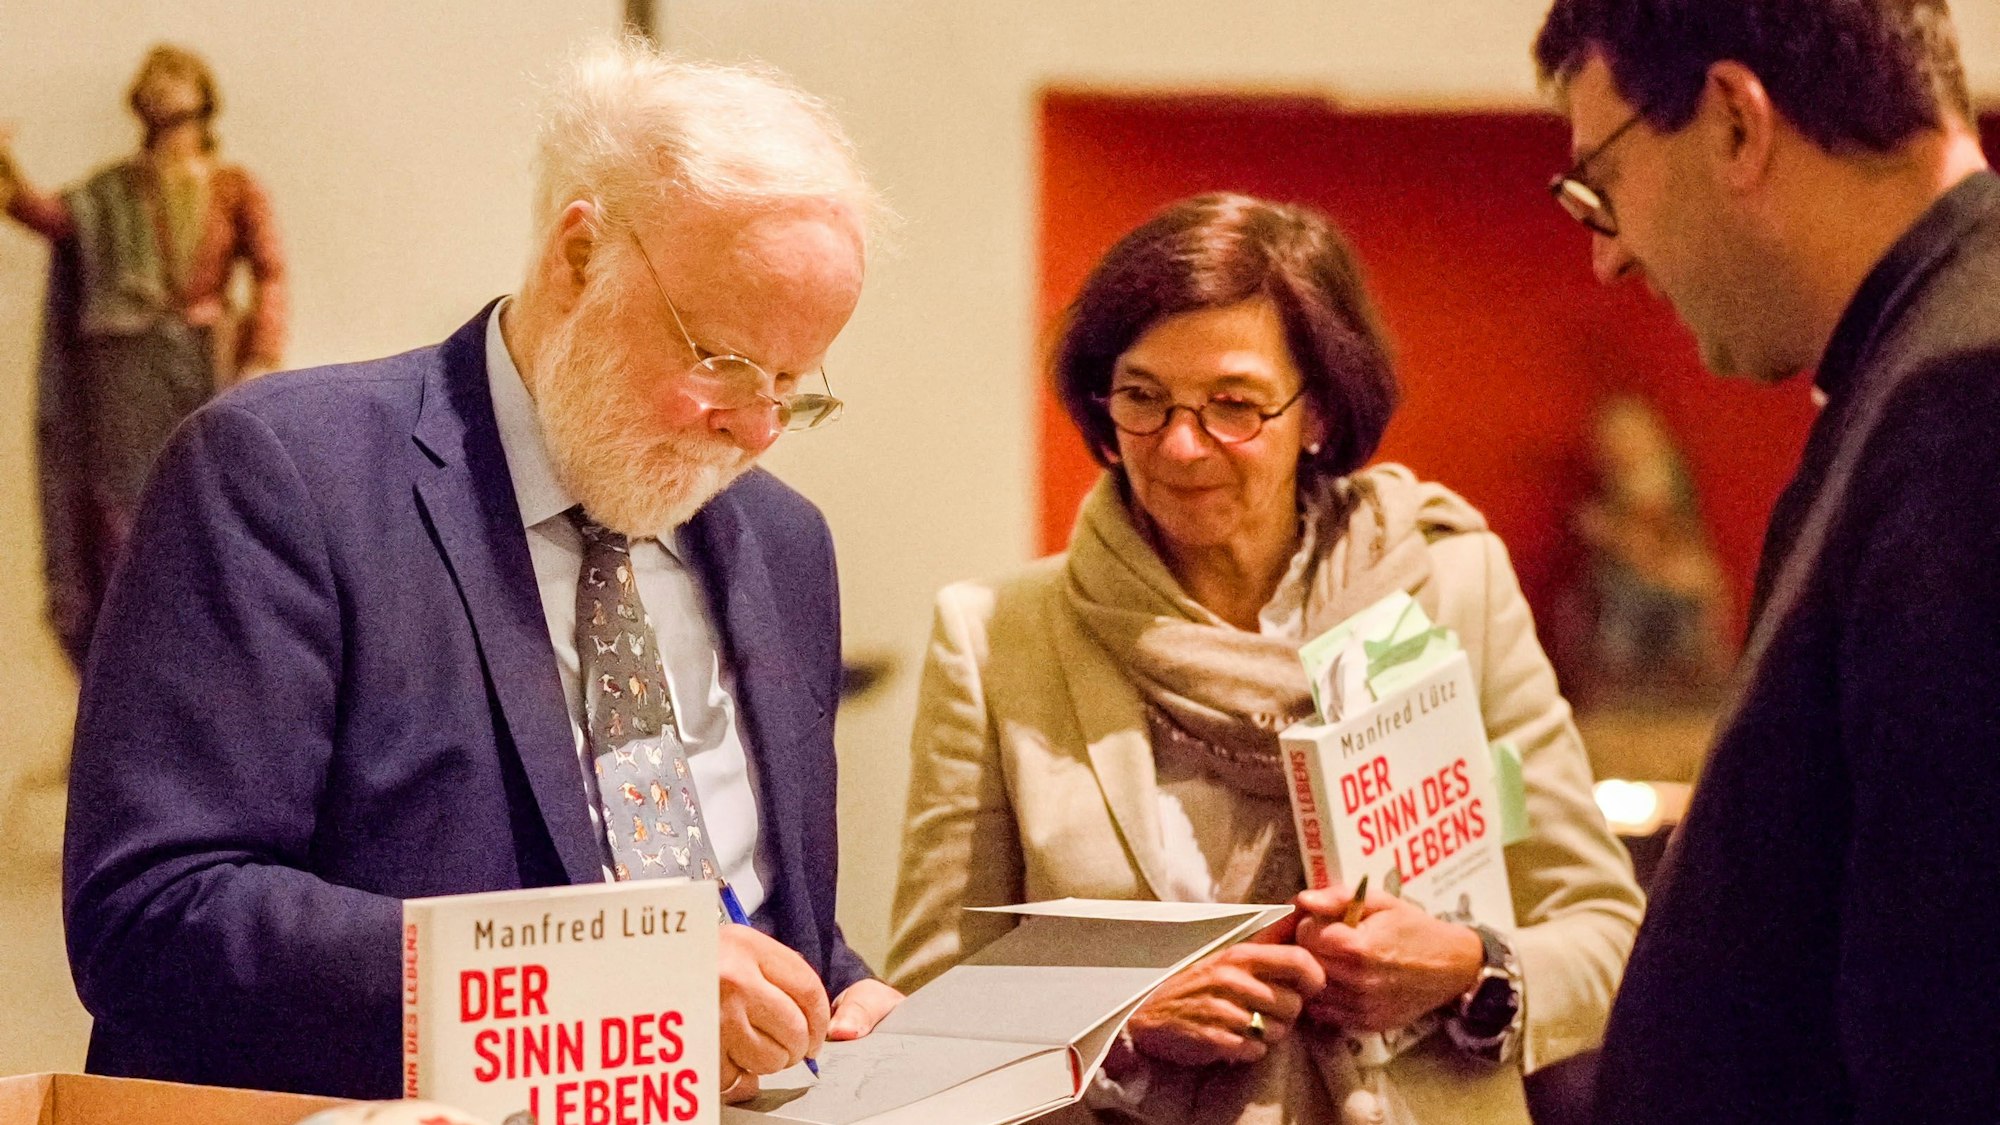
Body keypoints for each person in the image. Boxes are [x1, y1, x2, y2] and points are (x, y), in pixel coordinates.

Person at [63, 39, 900, 1102]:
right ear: (579, 254)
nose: (756, 429)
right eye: (721, 361)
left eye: (792, 382)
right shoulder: (285, 477)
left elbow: (740, 901)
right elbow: (155, 918)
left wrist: (839, 993)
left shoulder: (784, 544)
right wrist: (610, 985)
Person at [888, 193, 1643, 1124]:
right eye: (1142, 397)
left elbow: (1607, 931)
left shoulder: (1449, 588)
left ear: (1316, 411)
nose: (1179, 443)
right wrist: (1117, 1025)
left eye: (1233, 405)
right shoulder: (999, 636)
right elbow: (928, 1012)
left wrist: (1463, 965)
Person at [1532, 2, 2000, 1121]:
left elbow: (1951, 1016)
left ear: (1735, 123)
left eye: (1602, 180)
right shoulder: (1926, 355)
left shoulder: (1966, 397)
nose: (1607, 257)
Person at [0, 44, 286, 667]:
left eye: (179, 92)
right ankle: (131, 647)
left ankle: (205, 650)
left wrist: (261, 353)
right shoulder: (113, 191)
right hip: (124, 374)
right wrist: (9, 176)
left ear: (203, 105)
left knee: (208, 506)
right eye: (158, 94)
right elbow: (55, 219)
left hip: (205, 369)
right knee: (121, 509)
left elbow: (270, 271)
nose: (168, 102)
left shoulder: (233, 187)